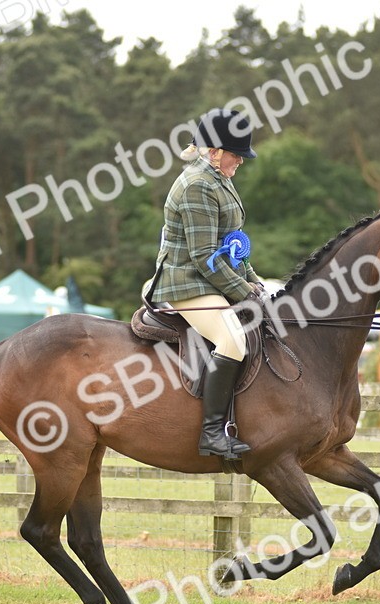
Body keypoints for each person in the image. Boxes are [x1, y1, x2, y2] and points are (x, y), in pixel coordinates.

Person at [146, 108, 263, 459]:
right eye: (235, 154)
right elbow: (204, 257)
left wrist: (256, 284)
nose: (240, 161)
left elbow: (232, 246)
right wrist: (244, 293)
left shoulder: (217, 178)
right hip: (186, 282)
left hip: (207, 279)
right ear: (213, 151)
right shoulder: (198, 185)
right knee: (232, 340)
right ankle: (212, 433)